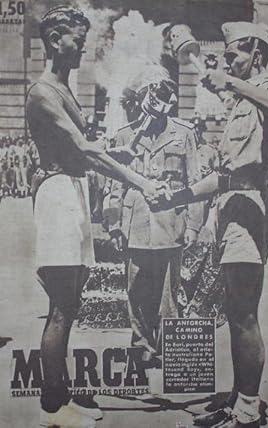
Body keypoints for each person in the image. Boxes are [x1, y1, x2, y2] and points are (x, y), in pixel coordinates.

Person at [25, 6, 168, 428]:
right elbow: (85, 152)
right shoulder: (42, 91)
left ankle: (63, 397)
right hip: (57, 197)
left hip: (73, 192)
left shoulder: (65, 89)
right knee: (61, 308)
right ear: (55, 40)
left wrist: (119, 154)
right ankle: (54, 408)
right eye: (76, 36)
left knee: (70, 303)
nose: (83, 44)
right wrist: (140, 181)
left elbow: (86, 153)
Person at [152, 22, 268, 428]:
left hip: (250, 210)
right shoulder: (243, 104)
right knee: (234, 309)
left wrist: (229, 81)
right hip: (231, 204)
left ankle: (247, 409)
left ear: (257, 55)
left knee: (245, 312)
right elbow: (225, 175)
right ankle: (238, 396)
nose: (226, 61)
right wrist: (176, 198)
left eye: (234, 56)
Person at [107, 76, 203, 363]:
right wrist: (114, 225)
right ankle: (142, 348)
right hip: (134, 222)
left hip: (169, 223)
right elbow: (115, 186)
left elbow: (194, 181)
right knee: (136, 289)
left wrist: (194, 226)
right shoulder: (126, 135)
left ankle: (170, 349)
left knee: (168, 295)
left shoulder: (183, 134)